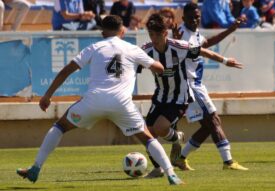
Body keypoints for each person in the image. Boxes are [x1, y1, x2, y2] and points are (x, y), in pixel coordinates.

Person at [16, 15, 184, 185]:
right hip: (121, 104)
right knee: (148, 139)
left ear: (103, 32)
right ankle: (171, 175)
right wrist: (149, 62)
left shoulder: (94, 47)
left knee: (60, 126)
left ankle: (35, 168)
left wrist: (47, 95)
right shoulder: (132, 49)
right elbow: (159, 68)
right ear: (123, 31)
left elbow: (67, 70)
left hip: (93, 102)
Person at [141, 13, 243, 178]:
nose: (154, 39)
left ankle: (176, 139)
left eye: (157, 35)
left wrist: (225, 61)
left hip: (179, 97)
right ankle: (158, 168)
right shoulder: (146, 50)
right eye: (151, 35)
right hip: (160, 96)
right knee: (147, 134)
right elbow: (130, 61)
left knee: (160, 128)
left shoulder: (179, 46)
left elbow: (204, 51)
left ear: (165, 34)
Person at [170, 2, 249, 171]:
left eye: (197, 17)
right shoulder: (183, 34)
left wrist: (231, 29)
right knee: (214, 121)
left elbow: (206, 44)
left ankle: (180, 158)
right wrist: (225, 61)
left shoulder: (194, 33)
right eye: (191, 18)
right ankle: (228, 162)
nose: (195, 20)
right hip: (190, 85)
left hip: (196, 84)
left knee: (208, 126)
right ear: (183, 18)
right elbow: (202, 51)